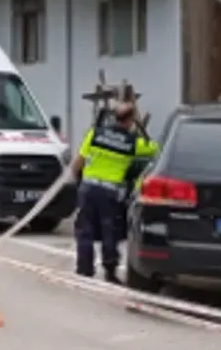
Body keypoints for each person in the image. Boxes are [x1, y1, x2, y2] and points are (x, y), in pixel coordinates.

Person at [68, 101, 159, 283]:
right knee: (109, 230)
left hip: (88, 189)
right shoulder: (133, 143)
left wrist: (75, 180)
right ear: (130, 120)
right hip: (110, 193)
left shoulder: (94, 134)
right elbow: (155, 149)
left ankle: (84, 269)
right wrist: (140, 129)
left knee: (85, 229)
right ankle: (110, 271)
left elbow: (78, 162)